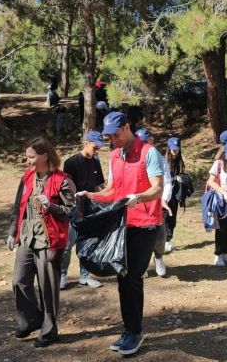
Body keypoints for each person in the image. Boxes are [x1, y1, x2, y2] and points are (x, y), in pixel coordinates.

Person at [76, 111, 163, 356]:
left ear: (127, 127)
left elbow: (157, 189)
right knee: (123, 276)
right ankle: (129, 330)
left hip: (145, 224)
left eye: (115, 135)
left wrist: (139, 197)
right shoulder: (115, 155)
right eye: (108, 136)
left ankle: (134, 332)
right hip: (122, 225)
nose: (112, 140)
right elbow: (112, 190)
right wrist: (90, 195)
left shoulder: (149, 153)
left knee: (132, 276)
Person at [7, 137, 76, 348]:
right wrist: (12, 232)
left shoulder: (62, 180)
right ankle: (31, 320)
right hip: (27, 238)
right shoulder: (27, 177)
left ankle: (49, 330)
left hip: (49, 241)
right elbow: (18, 205)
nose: (28, 161)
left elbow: (72, 212)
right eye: (27, 157)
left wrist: (52, 207)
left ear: (45, 155)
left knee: (47, 288)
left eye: (31, 157)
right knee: (19, 280)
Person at [60, 131, 106, 289]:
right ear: (86, 143)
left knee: (87, 244)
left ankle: (84, 276)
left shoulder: (95, 162)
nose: (97, 150)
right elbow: (64, 188)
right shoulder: (71, 162)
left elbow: (98, 186)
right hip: (73, 209)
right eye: (95, 147)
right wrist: (73, 202)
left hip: (90, 208)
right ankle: (62, 275)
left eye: (99, 148)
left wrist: (104, 200)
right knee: (68, 243)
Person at [135, 128, 171, 278]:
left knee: (160, 234)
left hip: (156, 203)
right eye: (141, 142)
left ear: (152, 141)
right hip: (139, 202)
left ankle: (158, 257)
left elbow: (167, 182)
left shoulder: (160, 158)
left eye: (146, 142)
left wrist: (164, 199)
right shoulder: (133, 158)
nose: (144, 145)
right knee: (139, 236)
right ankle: (142, 264)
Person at [163, 136, 185, 252]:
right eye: (173, 149)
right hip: (165, 194)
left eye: (177, 149)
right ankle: (164, 241)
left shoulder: (179, 161)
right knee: (165, 217)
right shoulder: (164, 160)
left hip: (175, 194)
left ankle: (168, 241)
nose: (175, 151)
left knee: (172, 217)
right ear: (169, 147)